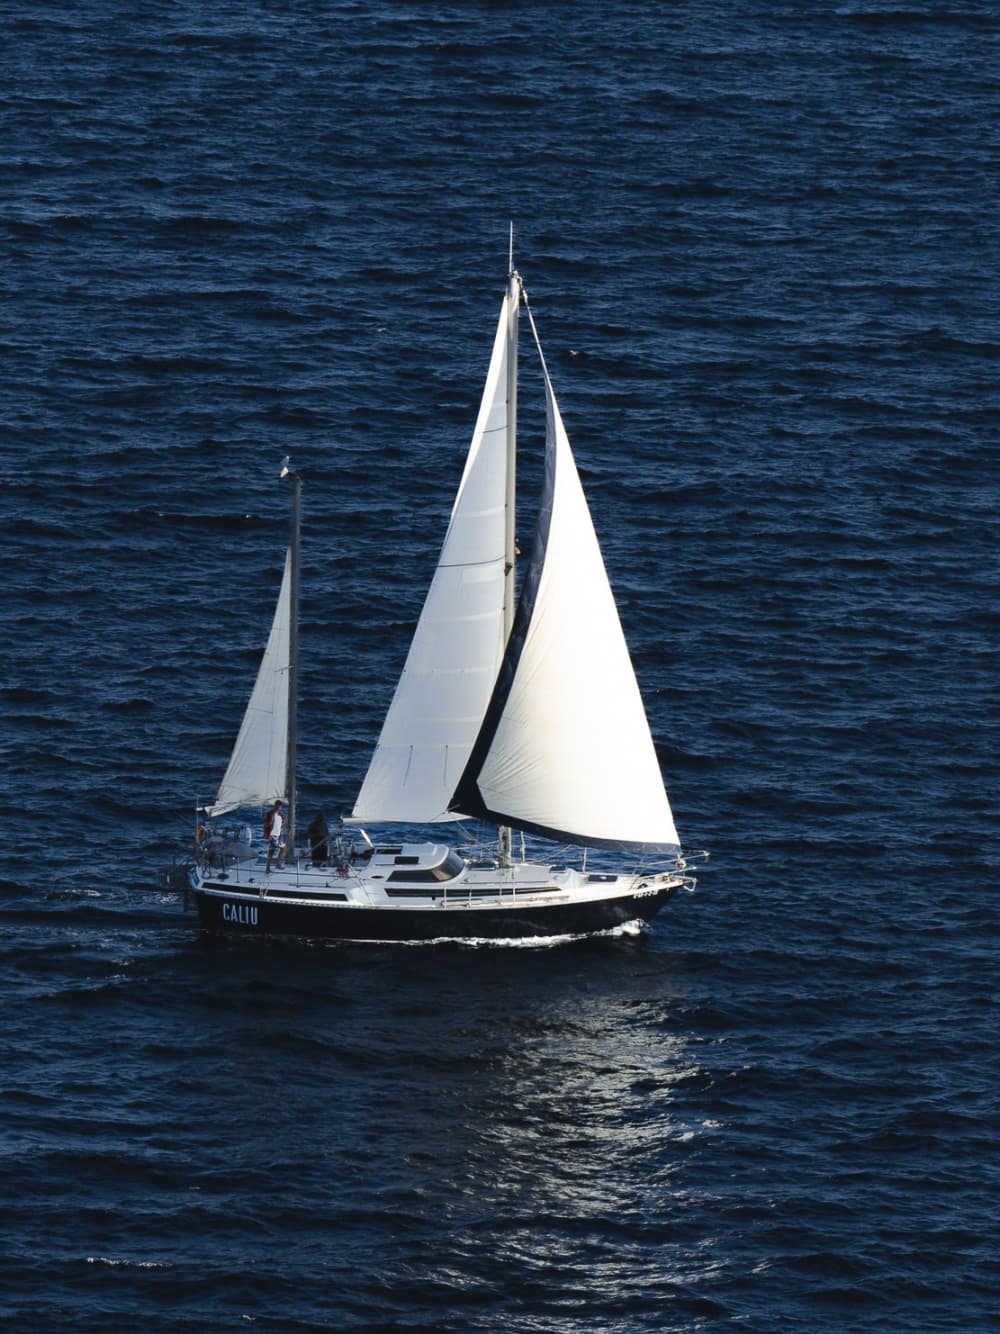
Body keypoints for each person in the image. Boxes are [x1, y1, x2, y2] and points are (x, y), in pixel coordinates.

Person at [264, 798, 285, 872]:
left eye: (280, 806)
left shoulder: (280, 815)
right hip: (272, 835)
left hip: (278, 835)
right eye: (277, 805)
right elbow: (266, 824)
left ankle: (268, 868)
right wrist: (270, 822)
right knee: (282, 849)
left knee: (272, 851)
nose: (279, 807)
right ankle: (277, 865)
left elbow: (280, 825)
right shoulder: (270, 814)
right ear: (275, 805)